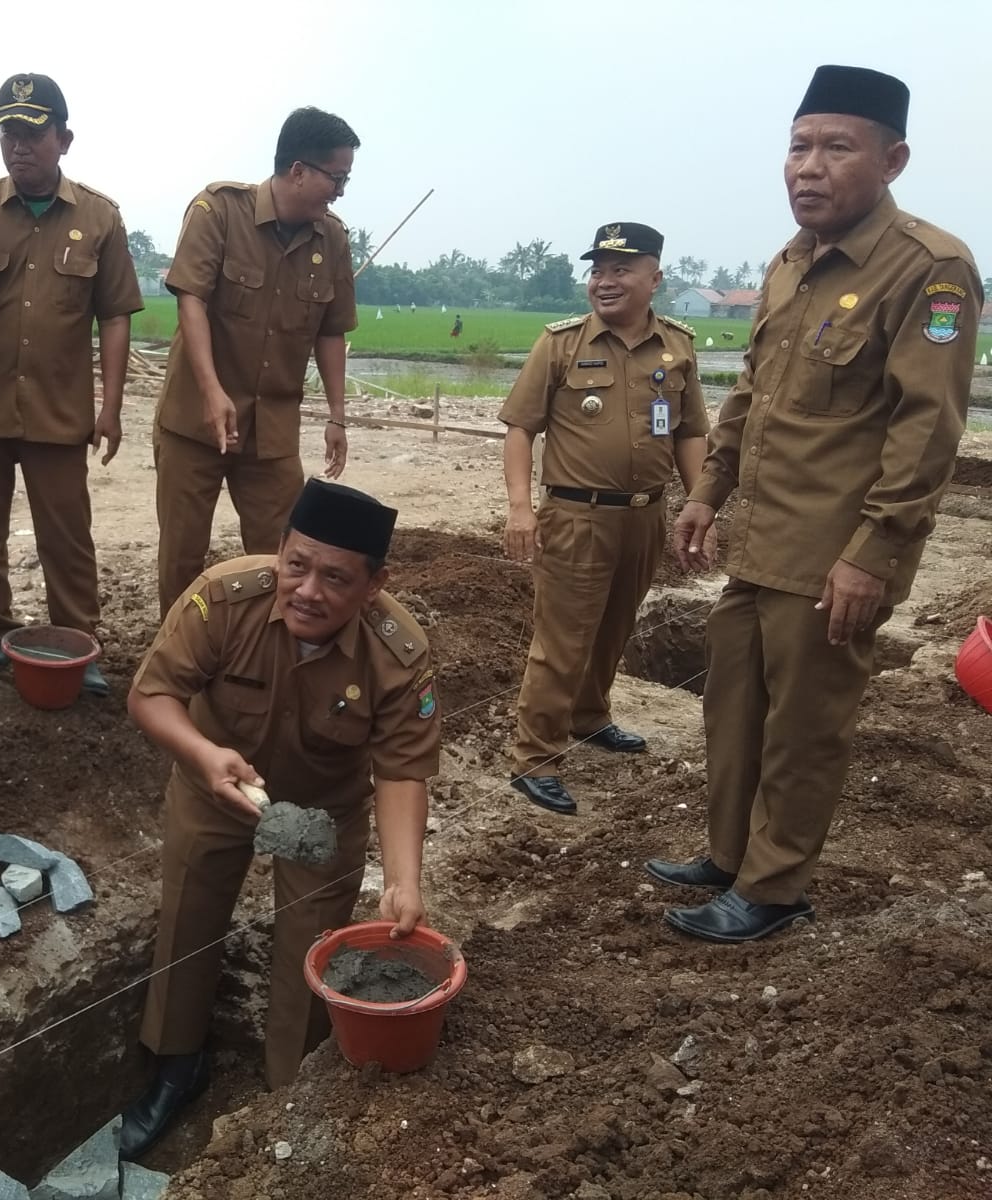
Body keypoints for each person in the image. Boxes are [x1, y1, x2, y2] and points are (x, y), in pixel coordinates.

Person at [653, 66, 981, 942]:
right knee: (732, 707)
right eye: (799, 145)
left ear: (893, 159)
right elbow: (753, 394)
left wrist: (874, 552)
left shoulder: (930, 269)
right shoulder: (790, 263)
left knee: (804, 729)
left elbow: (928, 427)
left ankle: (774, 889)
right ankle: (729, 857)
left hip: (835, 553)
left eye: (837, 147)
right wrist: (708, 493)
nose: (809, 166)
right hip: (762, 538)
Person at [119, 478, 438, 1157]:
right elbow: (151, 695)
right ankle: (176, 1063)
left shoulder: (397, 653)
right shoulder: (223, 599)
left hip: (325, 811)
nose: (307, 590)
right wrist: (204, 755)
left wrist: (404, 880)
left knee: (310, 948)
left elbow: (403, 770)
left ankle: (285, 1093)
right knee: (188, 923)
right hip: (215, 789)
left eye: (335, 577)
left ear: (374, 584)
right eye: (296, 564)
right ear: (280, 552)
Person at [0, 74, 141, 694]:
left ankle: (79, 640)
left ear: (63, 140)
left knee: (66, 532)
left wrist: (112, 404)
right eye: (9, 133)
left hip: (58, 410)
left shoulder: (100, 218)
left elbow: (115, 316)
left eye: (33, 133)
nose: (19, 146)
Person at [499, 223, 710, 816]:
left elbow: (691, 432)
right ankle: (535, 756)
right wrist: (520, 508)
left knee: (617, 625)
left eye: (621, 270)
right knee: (563, 640)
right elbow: (520, 429)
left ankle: (590, 718)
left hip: (645, 516)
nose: (605, 281)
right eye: (598, 270)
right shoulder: (561, 343)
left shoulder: (677, 347)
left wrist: (701, 506)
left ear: (654, 279)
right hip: (576, 515)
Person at [152, 107, 359, 615]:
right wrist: (211, 390)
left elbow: (330, 332)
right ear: (298, 171)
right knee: (182, 557)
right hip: (195, 424)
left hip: (271, 431)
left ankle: (263, 661)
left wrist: (337, 415)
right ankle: (175, 666)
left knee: (282, 556)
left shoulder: (331, 239)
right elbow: (191, 301)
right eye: (337, 178)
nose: (340, 191)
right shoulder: (218, 212)